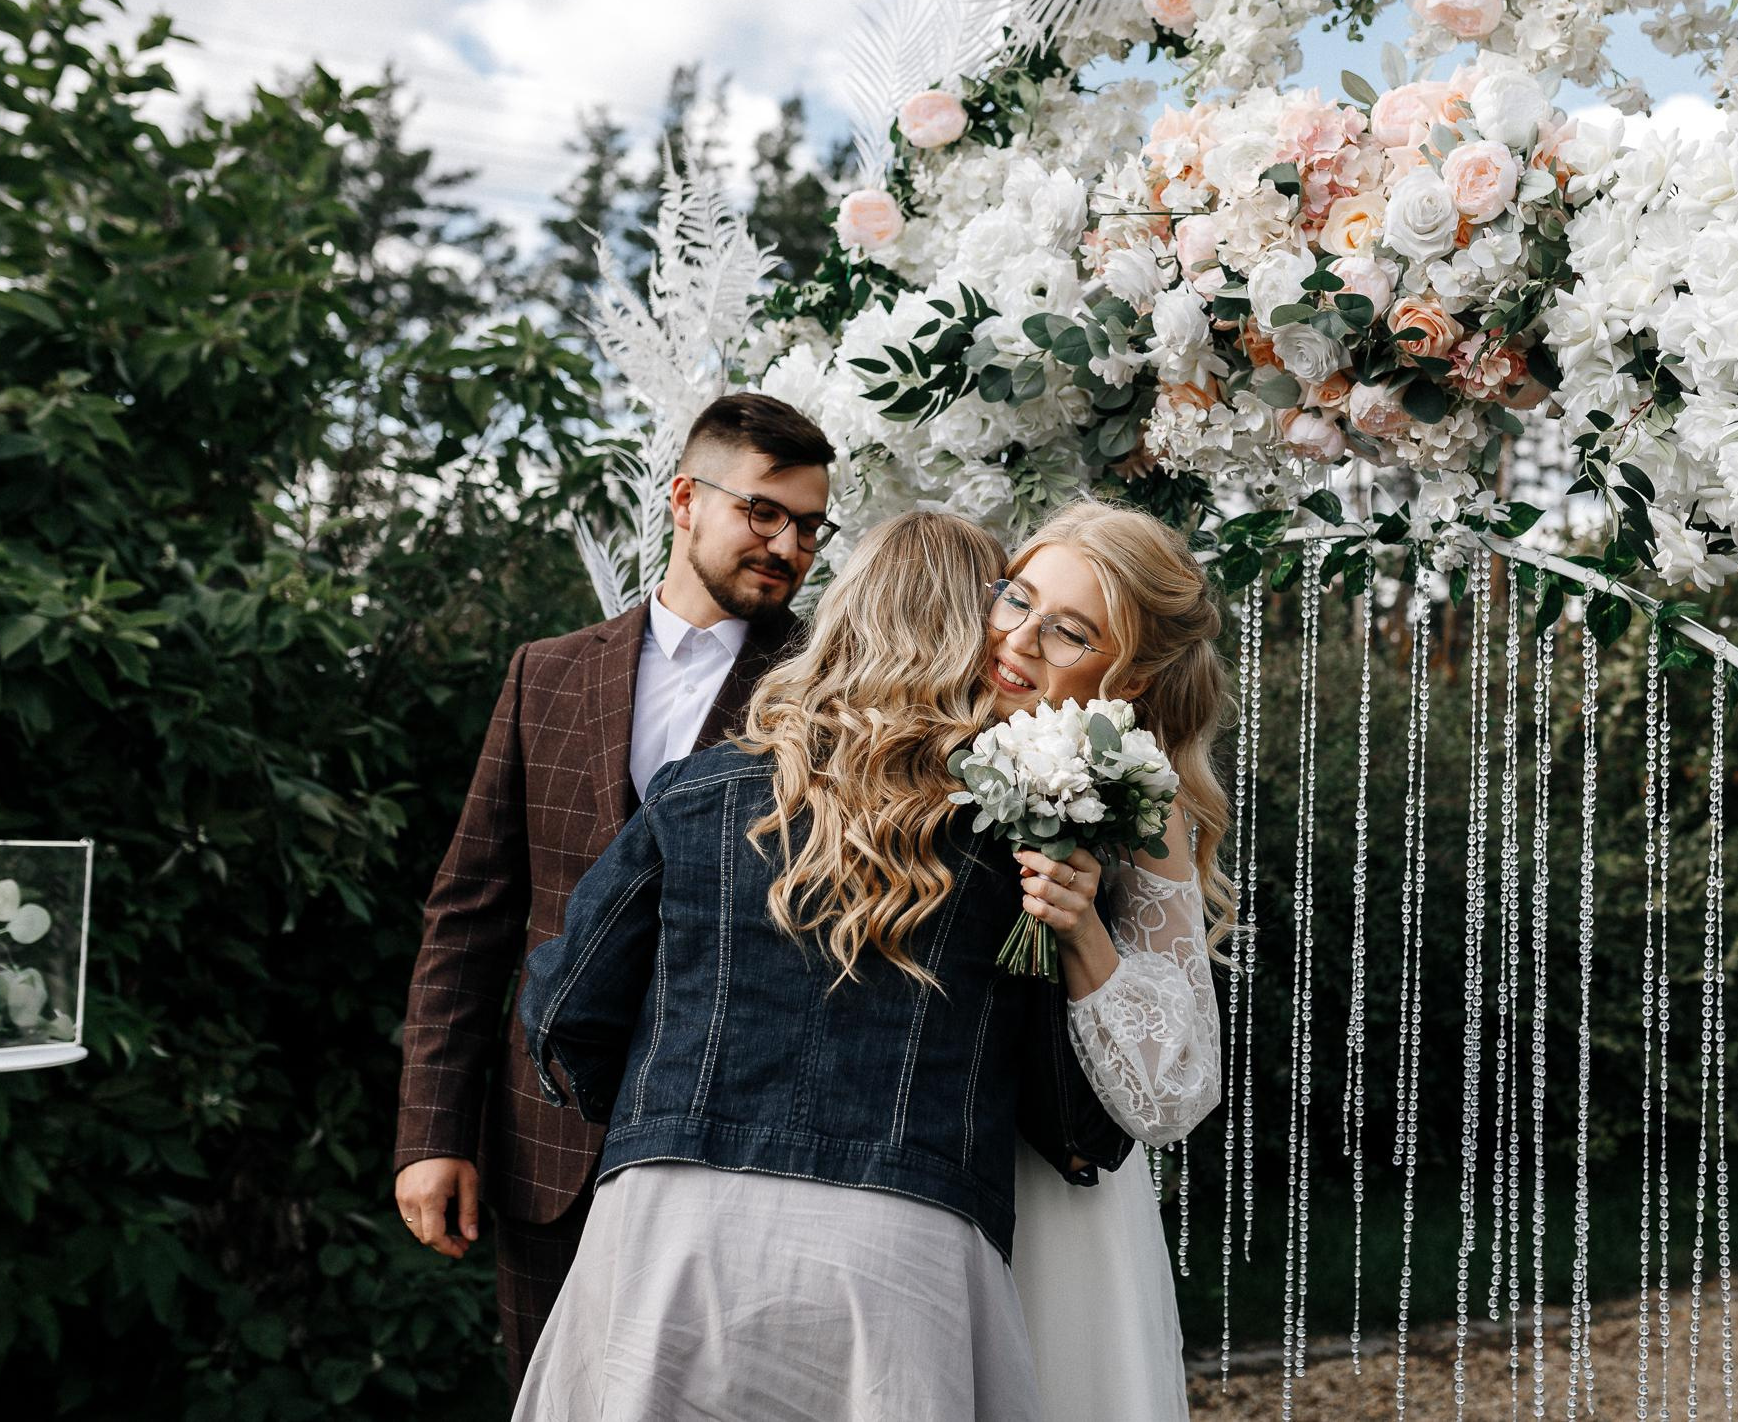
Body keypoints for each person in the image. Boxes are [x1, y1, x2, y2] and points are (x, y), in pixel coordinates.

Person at [511, 510, 1133, 1422]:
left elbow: (563, 1009)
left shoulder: (695, 794)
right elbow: (1077, 1122)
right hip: (901, 1247)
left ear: (841, 617)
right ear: (976, 640)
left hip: (672, 1228)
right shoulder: (1024, 850)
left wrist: (670, 1108)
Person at [392, 393, 837, 1395]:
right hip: (546, 1145)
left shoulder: (832, 690)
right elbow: (469, 917)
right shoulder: (544, 677)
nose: (789, 544)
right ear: (685, 498)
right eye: (764, 513)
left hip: (738, 1154)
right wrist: (432, 1134)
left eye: (809, 526)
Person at [988, 499, 1231, 1422]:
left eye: (1069, 631)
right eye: (1016, 599)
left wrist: (1083, 928)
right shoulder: (929, 734)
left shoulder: (1141, 799)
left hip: (1055, 1187)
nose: (1019, 639)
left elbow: (1175, 1088)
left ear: (1123, 679)